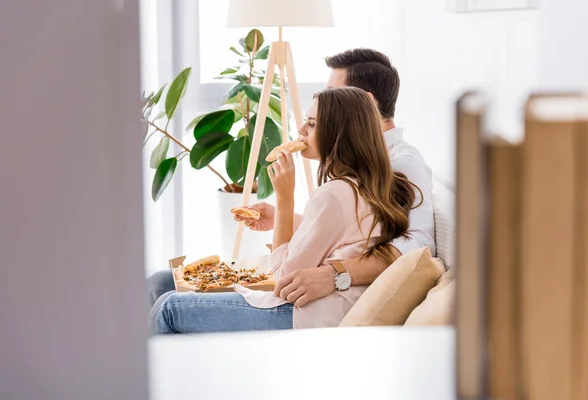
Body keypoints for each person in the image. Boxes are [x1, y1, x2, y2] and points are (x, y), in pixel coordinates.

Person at [147, 48, 435, 308]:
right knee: (161, 281)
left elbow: (417, 248)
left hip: (311, 296)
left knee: (170, 304)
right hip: (298, 277)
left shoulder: (401, 165)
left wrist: (335, 274)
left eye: (333, 94)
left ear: (363, 104)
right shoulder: (352, 170)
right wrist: (285, 219)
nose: (323, 105)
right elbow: (353, 232)